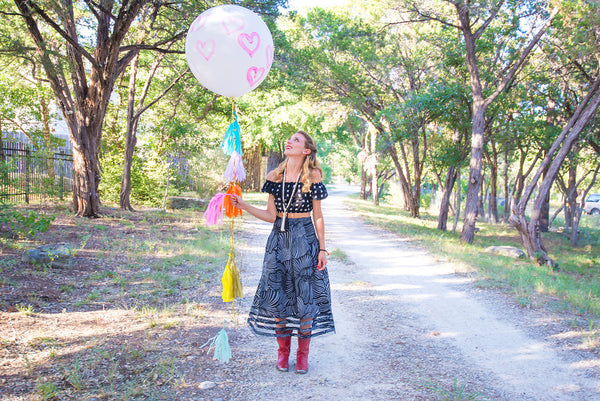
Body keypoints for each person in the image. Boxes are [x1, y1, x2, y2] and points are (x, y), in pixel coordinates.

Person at [230, 130, 335, 374]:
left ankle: (302, 355)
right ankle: (282, 352)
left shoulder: (314, 175)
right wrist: (243, 205)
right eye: (290, 139)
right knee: (278, 294)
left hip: (305, 239)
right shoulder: (274, 176)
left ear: (306, 150)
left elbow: (318, 216)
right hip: (278, 239)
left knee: (305, 297)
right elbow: (270, 216)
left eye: (296, 140)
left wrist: (322, 248)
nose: (290, 142)